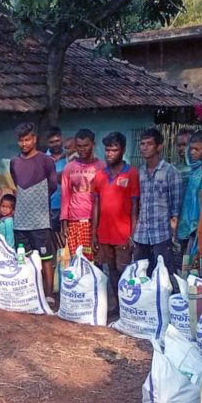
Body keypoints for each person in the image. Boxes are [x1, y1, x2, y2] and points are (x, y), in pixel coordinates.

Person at [10, 122, 58, 303]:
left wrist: (37, 200)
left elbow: (52, 185)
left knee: (46, 258)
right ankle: (30, 292)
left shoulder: (46, 161)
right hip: (21, 220)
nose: (24, 144)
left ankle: (49, 295)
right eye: (21, 140)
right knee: (25, 258)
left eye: (27, 139)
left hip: (40, 220)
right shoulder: (15, 162)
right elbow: (16, 182)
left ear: (35, 139)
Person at [92, 132, 139, 313]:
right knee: (110, 270)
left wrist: (132, 234)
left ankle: (128, 307)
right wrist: (94, 233)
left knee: (123, 271)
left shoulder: (132, 173)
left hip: (123, 234)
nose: (110, 153)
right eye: (107, 150)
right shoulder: (100, 175)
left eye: (114, 150)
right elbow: (96, 205)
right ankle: (118, 307)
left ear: (123, 150)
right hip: (104, 233)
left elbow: (135, 206)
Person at [132, 128, 181, 277]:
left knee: (164, 277)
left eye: (149, 144)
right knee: (142, 277)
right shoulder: (139, 173)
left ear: (159, 147)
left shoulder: (170, 172)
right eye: (142, 144)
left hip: (162, 234)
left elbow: (175, 208)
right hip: (141, 234)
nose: (144, 147)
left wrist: (173, 235)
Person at [60, 129, 104, 261]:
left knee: (93, 260)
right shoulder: (69, 168)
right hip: (74, 221)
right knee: (76, 260)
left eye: (86, 145)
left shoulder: (101, 167)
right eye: (79, 146)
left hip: (93, 221)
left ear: (93, 144)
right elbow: (65, 196)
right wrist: (64, 223)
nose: (82, 149)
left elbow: (103, 198)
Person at [177, 130, 202, 271]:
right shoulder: (195, 171)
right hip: (191, 227)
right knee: (190, 268)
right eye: (191, 149)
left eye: (196, 149)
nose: (192, 152)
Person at [45, 126, 68, 239]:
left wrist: (54, 176)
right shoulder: (43, 159)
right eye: (52, 142)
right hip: (52, 206)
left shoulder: (70, 156)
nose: (55, 144)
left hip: (69, 206)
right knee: (53, 240)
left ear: (62, 139)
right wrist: (61, 175)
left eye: (57, 141)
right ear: (47, 143)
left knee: (69, 240)